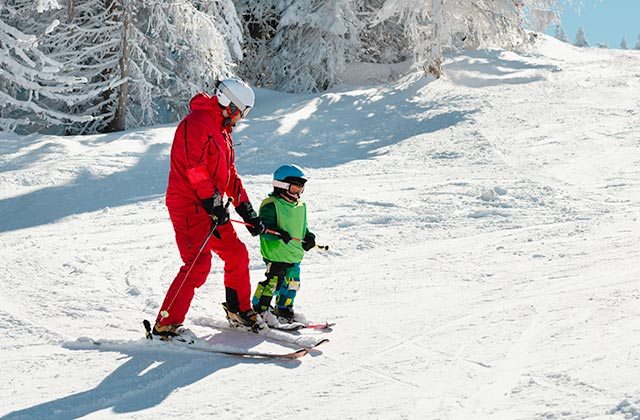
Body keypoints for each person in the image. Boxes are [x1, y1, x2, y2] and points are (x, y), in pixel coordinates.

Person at [153, 78, 266, 338]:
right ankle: (165, 325)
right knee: (198, 263)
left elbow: (230, 176)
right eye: (242, 113)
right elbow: (195, 168)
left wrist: (246, 210)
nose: (240, 120)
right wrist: (213, 203)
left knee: (236, 254)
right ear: (231, 106)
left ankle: (238, 309)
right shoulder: (196, 124)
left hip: (209, 205)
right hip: (189, 205)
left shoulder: (222, 131)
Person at [251, 164, 316, 326]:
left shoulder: (300, 206)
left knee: (292, 284)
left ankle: (284, 309)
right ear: (282, 185)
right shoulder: (271, 205)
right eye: (295, 188)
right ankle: (260, 309)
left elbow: (302, 227)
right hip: (276, 254)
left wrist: (309, 237)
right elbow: (263, 229)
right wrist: (277, 233)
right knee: (274, 282)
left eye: (301, 188)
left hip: (294, 254)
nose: (298, 192)